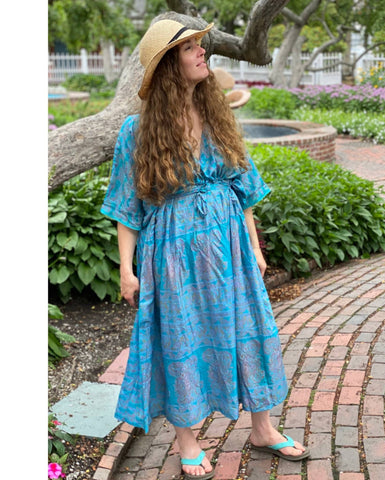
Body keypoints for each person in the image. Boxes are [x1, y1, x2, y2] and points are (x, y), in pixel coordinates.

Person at [101, 18, 310, 479]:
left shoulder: (219, 119)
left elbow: (245, 192)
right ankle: (188, 441)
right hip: (171, 255)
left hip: (229, 245)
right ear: (168, 65)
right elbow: (125, 208)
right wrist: (126, 270)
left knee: (249, 331)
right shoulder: (135, 132)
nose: (203, 53)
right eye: (191, 48)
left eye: (201, 46)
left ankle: (263, 428)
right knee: (182, 340)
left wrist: (255, 249)